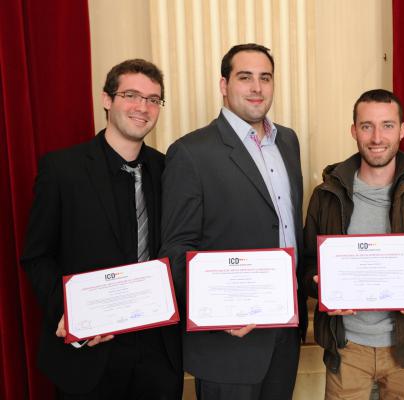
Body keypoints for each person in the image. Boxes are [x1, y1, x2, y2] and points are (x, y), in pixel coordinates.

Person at [20, 59, 182, 399]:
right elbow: (37, 255)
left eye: (153, 99)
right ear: (107, 99)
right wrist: (65, 311)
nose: (143, 107)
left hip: (158, 354)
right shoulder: (62, 170)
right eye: (131, 95)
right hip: (89, 354)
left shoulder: (168, 169)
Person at [160, 43, 306, 400]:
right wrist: (216, 311)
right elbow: (176, 248)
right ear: (224, 85)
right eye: (245, 77)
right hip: (228, 341)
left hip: (285, 331)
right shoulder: (191, 152)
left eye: (265, 78)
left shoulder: (287, 141)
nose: (257, 87)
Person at [303, 89, 404, 399]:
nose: (377, 137)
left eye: (387, 125)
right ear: (353, 130)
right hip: (347, 346)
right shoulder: (326, 195)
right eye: (367, 126)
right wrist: (320, 285)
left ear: (402, 130)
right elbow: (306, 266)